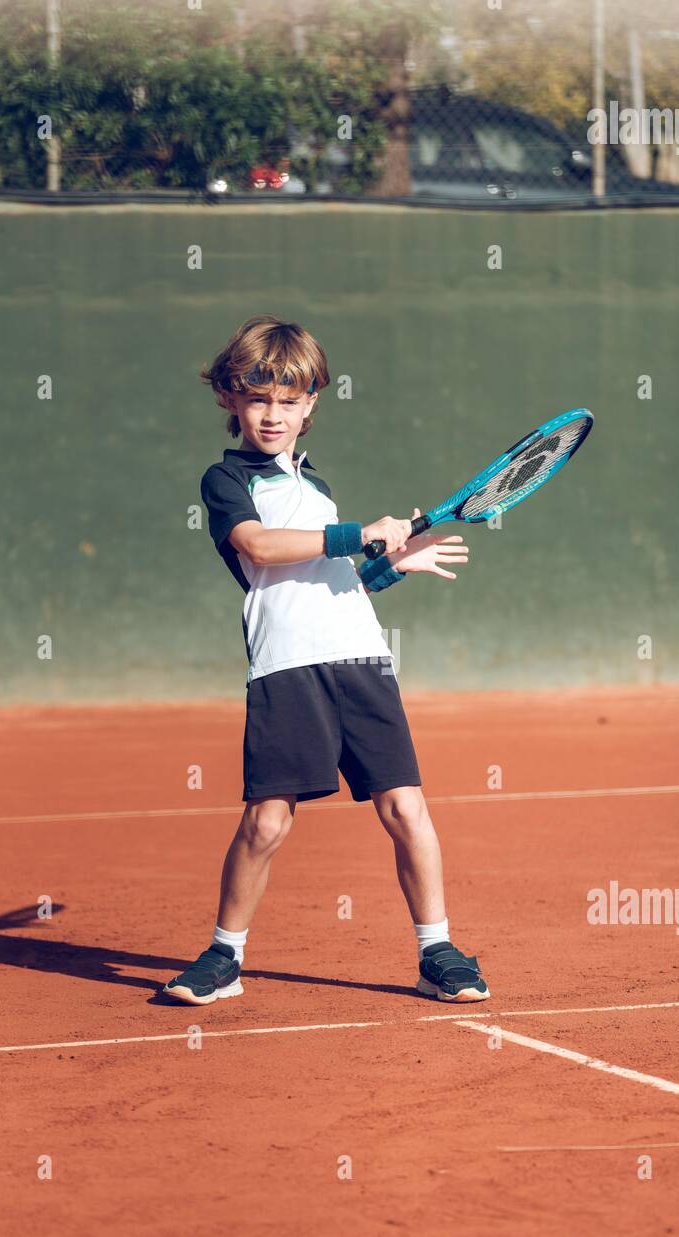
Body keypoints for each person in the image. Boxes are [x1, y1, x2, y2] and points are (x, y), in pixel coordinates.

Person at [163, 315, 488, 1006]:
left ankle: (437, 951)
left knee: (405, 808)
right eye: (257, 398)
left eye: (288, 400)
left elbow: (333, 579)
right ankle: (224, 957)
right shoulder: (226, 483)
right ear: (229, 399)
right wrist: (356, 532)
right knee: (267, 822)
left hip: (360, 659)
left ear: (311, 404)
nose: (272, 414)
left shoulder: (316, 486)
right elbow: (261, 549)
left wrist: (394, 565)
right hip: (285, 668)